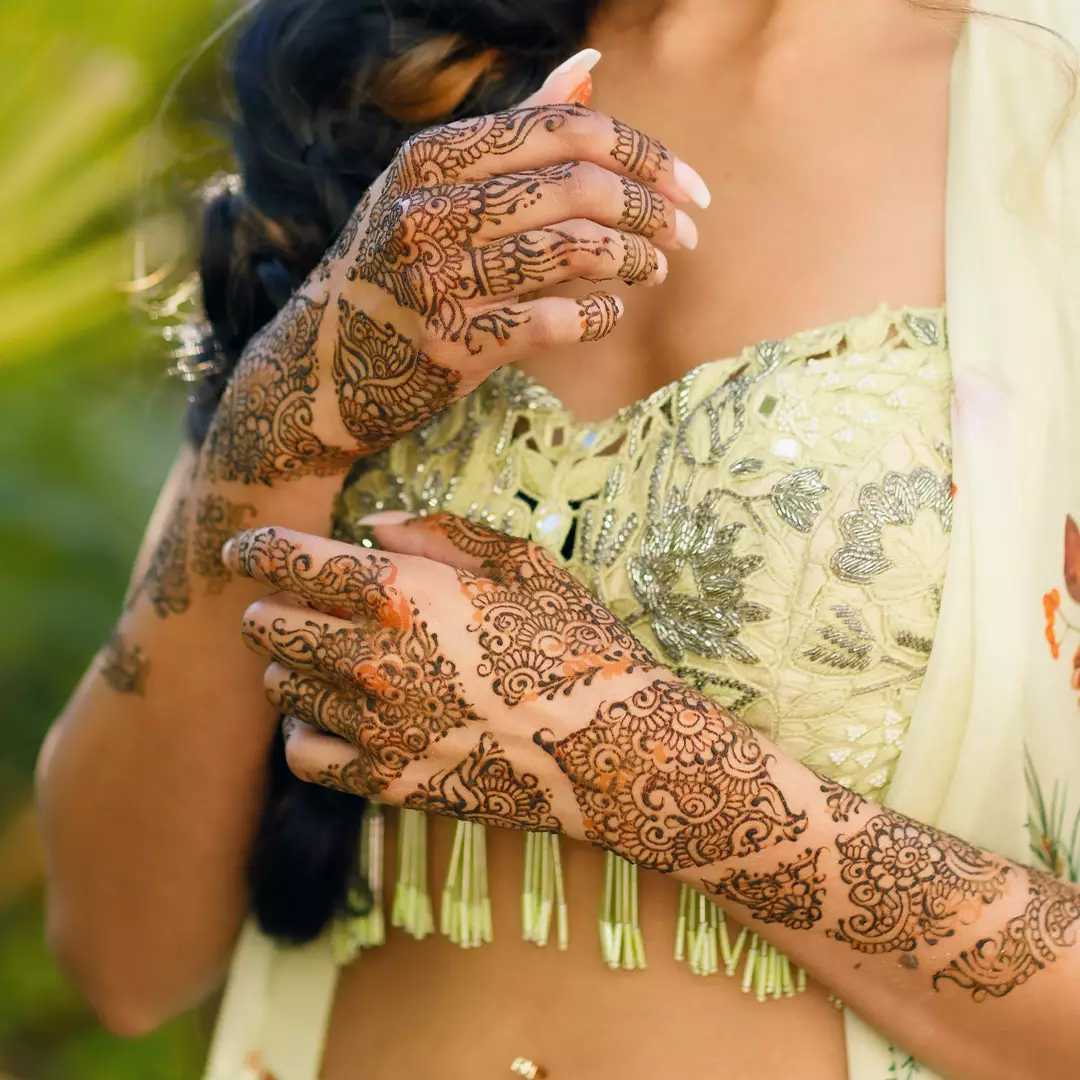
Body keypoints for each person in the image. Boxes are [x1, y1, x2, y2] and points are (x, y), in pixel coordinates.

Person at [34, 0, 1080, 1077]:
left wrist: (644, 770)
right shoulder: (389, 68)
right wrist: (285, 422)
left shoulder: (1050, 118)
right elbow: (121, 952)